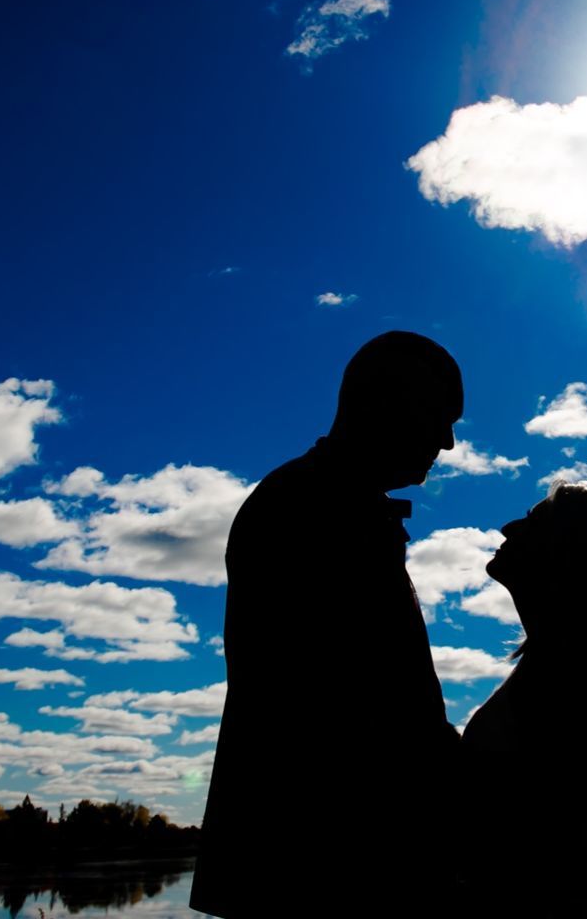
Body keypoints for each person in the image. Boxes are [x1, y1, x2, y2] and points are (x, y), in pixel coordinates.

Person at [191, 332, 465, 918]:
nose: (448, 440)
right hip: (321, 870)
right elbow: (359, 706)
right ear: (389, 400)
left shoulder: (330, 500)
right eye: (442, 416)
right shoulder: (313, 507)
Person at [461, 482, 587, 919]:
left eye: (533, 522)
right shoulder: (564, 669)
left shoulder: (570, 679)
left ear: (569, 555)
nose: (509, 526)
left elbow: (525, 837)